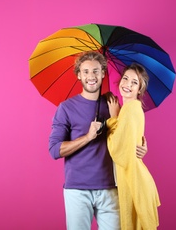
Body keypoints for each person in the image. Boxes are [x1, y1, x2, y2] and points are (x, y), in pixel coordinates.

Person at [48, 51, 148, 230]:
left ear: (103, 73)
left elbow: (125, 138)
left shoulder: (113, 104)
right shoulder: (66, 108)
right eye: (85, 72)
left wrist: (140, 147)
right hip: (77, 190)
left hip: (110, 188)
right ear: (79, 75)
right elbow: (55, 150)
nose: (91, 76)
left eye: (95, 71)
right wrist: (87, 137)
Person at [105, 63, 161, 230]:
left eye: (134, 82)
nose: (127, 84)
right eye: (125, 78)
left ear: (139, 90)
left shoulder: (130, 109)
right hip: (134, 179)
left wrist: (112, 118)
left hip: (133, 181)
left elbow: (117, 151)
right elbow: (133, 144)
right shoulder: (129, 109)